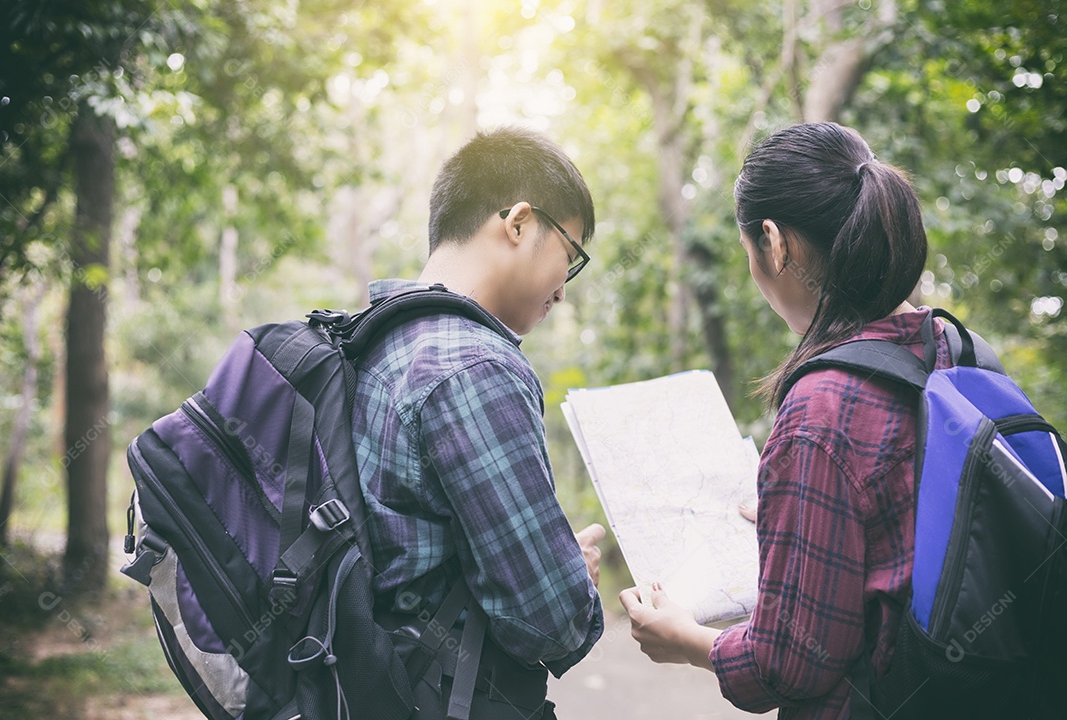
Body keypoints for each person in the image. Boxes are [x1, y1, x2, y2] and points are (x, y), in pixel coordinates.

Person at [620, 121, 942, 719]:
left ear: (775, 242)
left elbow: (791, 665)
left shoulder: (823, 410)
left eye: (748, 253)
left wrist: (688, 639)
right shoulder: (952, 349)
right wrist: (796, 511)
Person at [353, 126, 606, 720]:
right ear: (518, 223)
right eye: (569, 256)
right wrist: (574, 577)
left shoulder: (374, 339)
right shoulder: (473, 366)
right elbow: (551, 620)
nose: (562, 292)